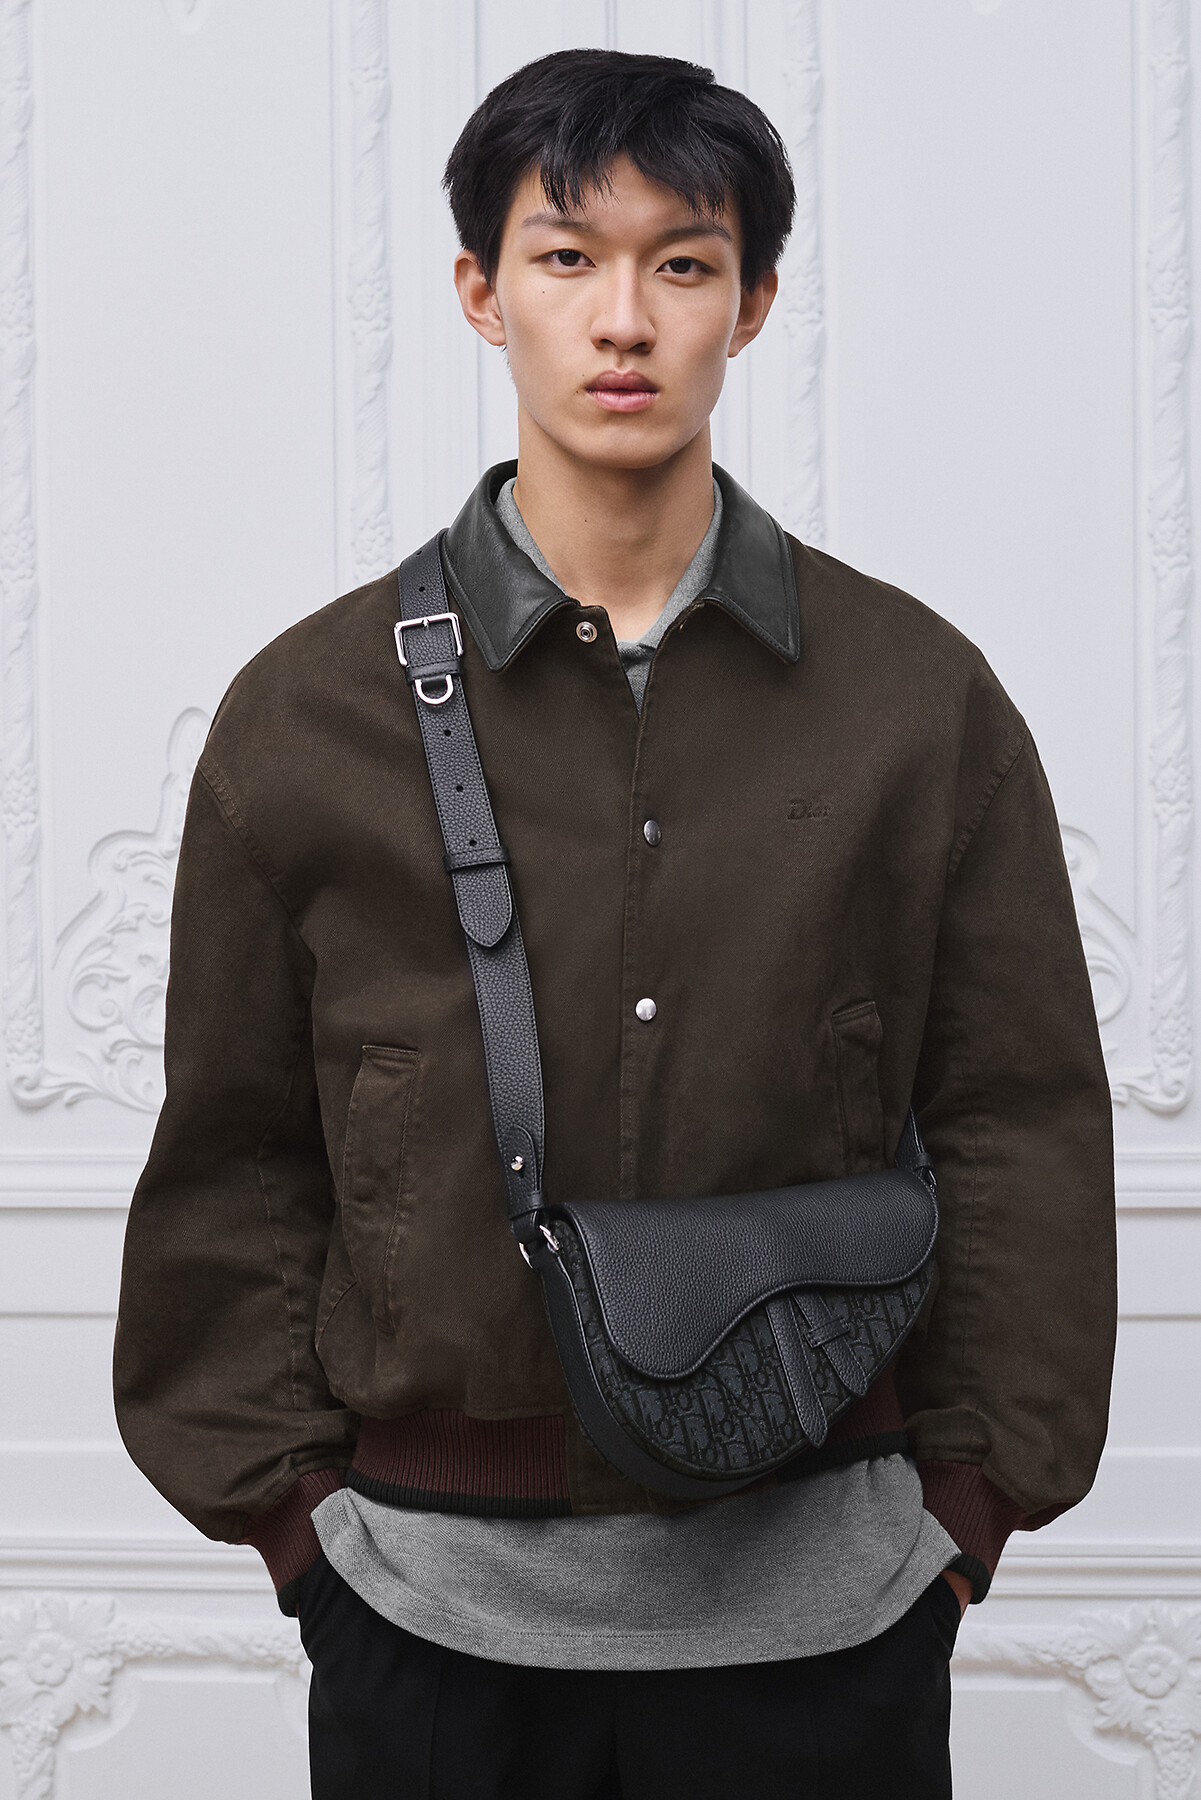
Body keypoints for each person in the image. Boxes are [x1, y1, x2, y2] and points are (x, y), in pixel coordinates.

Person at [114, 47, 1117, 1800]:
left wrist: (961, 1518)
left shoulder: (914, 700)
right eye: (567, 257)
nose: (624, 318)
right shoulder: (306, 715)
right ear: (479, 292)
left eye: (684, 261)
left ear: (754, 301)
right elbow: (239, 1150)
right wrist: (297, 1532)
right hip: (422, 1621)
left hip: (829, 1623)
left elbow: (1012, 1118)